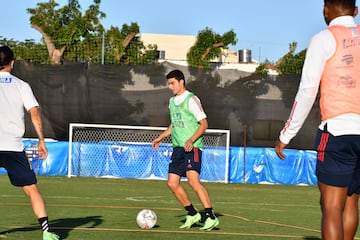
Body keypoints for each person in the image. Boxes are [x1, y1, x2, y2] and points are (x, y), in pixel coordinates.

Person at [275, 1, 360, 239]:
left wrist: (286, 135)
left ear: (325, 10)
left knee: (332, 205)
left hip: (337, 130)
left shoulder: (324, 38)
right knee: (352, 202)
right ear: (355, 11)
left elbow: (307, 91)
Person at [0, 46, 60, 240]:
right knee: (32, 189)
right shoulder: (21, 85)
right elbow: (34, 112)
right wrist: (41, 140)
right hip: (13, 147)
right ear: (12, 63)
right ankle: (46, 232)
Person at [151, 69, 219, 231]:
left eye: (172, 83)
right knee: (172, 183)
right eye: (168, 84)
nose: (170, 87)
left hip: (193, 148)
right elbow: (174, 124)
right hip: (178, 149)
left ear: (181, 82)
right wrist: (161, 136)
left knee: (192, 181)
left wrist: (191, 139)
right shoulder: (172, 102)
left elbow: (204, 124)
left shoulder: (191, 100)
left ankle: (210, 216)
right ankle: (192, 213)